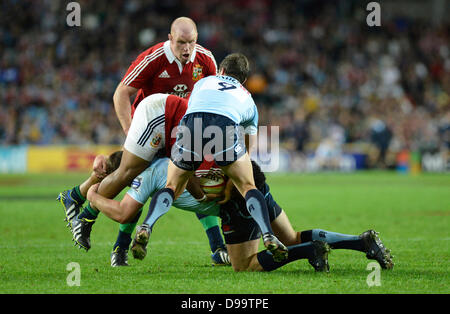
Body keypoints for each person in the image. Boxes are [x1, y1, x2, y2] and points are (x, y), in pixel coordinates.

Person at [57, 16, 225, 263]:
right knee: (135, 179)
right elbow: (121, 93)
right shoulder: (153, 58)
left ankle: (78, 198)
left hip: (179, 128)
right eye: (181, 43)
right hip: (151, 126)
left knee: (192, 176)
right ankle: (111, 239)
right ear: (170, 38)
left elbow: (212, 96)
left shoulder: (206, 60)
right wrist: (131, 130)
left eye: (191, 42)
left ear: (197, 39)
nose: (186, 49)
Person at [87, 155, 394, 272]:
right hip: (252, 181)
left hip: (234, 201)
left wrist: (92, 194)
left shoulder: (146, 175)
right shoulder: (170, 153)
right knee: (291, 234)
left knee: (244, 266)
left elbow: (123, 213)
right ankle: (362, 242)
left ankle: (310, 252)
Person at [133, 53, 289, 263]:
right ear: (243, 80)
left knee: (172, 185)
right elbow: (248, 146)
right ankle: (268, 234)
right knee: (248, 186)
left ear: (221, 71)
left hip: (192, 123)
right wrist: (236, 175)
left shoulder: (203, 82)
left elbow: (193, 108)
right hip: (225, 123)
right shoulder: (248, 99)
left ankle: (146, 226)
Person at [58, 94, 229, 266]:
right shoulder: (149, 174)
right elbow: (122, 93)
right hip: (168, 131)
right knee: (131, 187)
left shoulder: (150, 169)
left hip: (172, 139)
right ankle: (110, 238)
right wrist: (92, 196)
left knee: (130, 183)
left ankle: (87, 212)